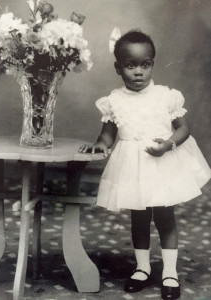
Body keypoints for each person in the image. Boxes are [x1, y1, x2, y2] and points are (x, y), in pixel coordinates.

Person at [79, 30, 211, 300]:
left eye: (145, 64)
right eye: (130, 65)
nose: (138, 72)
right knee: (139, 217)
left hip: (162, 164)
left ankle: (170, 273)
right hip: (132, 168)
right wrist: (101, 144)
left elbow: (184, 129)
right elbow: (108, 134)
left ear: (152, 64)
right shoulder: (114, 101)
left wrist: (168, 145)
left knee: (165, 217)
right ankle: (142, 268)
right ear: (118, 68)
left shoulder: (166, 96)